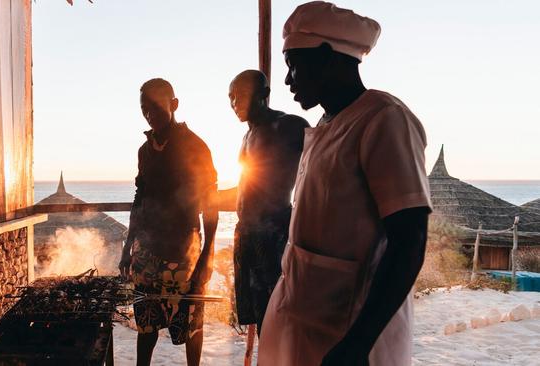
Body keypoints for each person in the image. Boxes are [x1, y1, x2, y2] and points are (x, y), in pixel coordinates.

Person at [258, 2, 432, 366]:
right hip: (304, 319)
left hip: (349, 331)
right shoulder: (326, 124)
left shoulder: (383, 120)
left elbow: (409, 240)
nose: (288, 80)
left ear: (325, 56)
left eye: (293, 64)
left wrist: (358, 343)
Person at [119, 78, 219, 366]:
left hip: (184, 251)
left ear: (174, 105)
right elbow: (140, 200)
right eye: (143, 108)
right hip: (147, 253)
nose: (149, 113)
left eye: (155, 107)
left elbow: (210, 205)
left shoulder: (196, 147)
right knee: (146, 324)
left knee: (191, 322)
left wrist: (206, 257)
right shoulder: (144, 150)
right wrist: (128, 247)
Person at [228, 70, 309, 335]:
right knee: (260, 316)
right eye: (230, 98)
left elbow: (323, 166)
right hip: (247, 234)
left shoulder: (290, 126)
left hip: (273, 233)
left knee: (280, 315)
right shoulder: (246, 135)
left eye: (240, 96)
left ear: (263, 94)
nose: (234, 103)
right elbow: (247, 187)